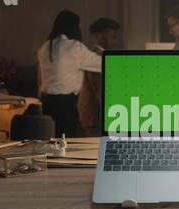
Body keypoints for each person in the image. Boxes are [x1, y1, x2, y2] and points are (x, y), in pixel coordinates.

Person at [37, 10, 101, 138]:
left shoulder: (45, 47)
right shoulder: (74, 48)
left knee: (49, 141)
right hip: (65, 105)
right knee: (66, 143)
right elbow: (102, 64)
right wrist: (100, 51)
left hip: (45, 104)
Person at [77, 17, 121, 136]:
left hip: (96, 118)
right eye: (113, 37)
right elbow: (100, 91)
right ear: (101, 36)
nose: (116, 42)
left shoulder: (95, 56)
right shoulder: (96, 59)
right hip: (97, 118)